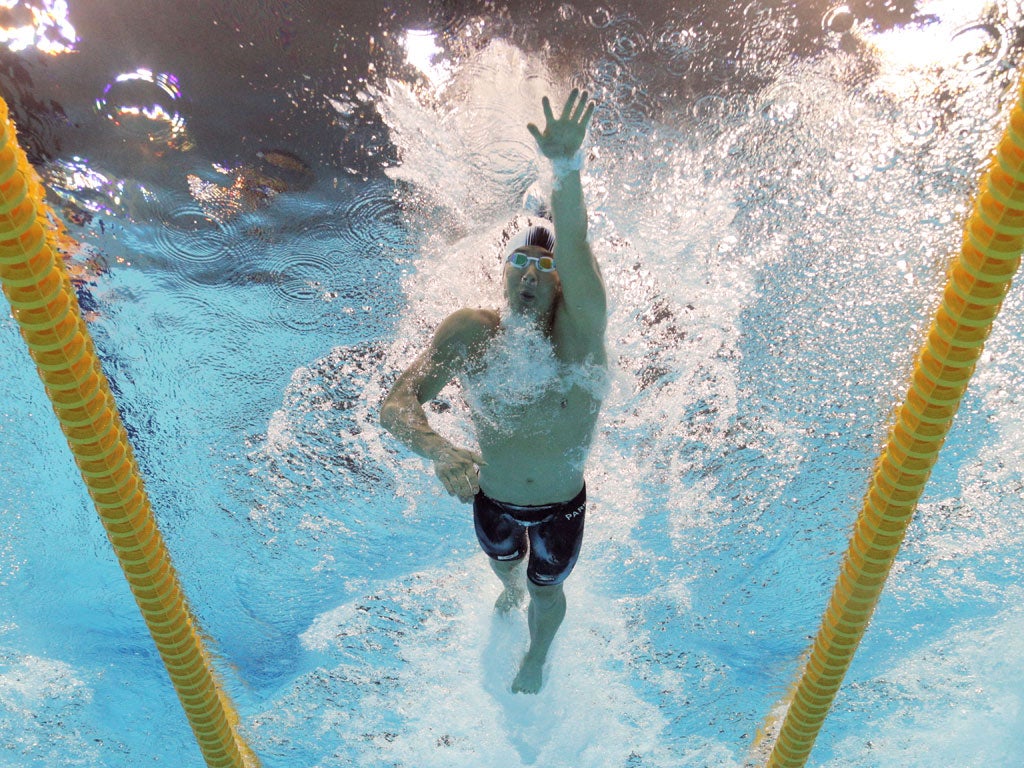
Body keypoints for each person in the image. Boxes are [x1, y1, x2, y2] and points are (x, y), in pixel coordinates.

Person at [380, 89, 607, 694]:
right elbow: (397, 403)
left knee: (547, 588)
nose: (531, 271)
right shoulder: (469, 335)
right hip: (492, 499)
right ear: (502, 273)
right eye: (519, 260)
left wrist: (564, 169)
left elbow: (578, 247)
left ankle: (536, 655)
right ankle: (506, 590)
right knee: (506, 573)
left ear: (561, 285)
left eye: (544, 264)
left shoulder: (579, 338)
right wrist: (440, 450)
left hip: (562, 507)